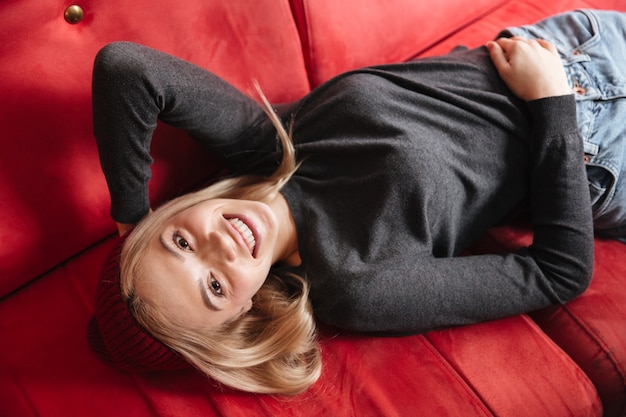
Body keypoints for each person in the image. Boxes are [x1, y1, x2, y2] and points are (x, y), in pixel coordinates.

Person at [89, 9, 626, 395]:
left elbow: (126, 68)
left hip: (579, 43)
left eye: (179, 241)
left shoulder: (265, 141)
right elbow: (560, 272)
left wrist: (129, 214)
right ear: (243, 311)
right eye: (213, 287)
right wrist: (553, 103)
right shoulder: (356, 286)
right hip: (602, 152)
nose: (220, 247)